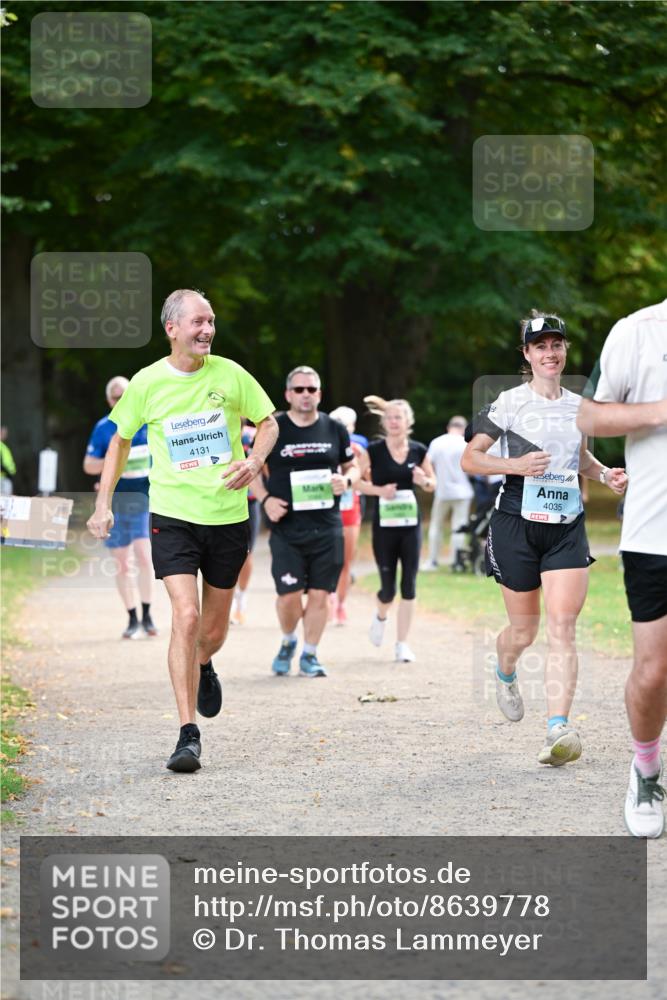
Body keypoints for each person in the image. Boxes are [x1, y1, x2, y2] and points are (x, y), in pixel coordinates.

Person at [87, 289, 277, 773]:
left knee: (211, 633)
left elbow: (268, 422)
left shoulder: (231, 374)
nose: (207, 330)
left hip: (228, 517)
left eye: (211, 321)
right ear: (172, 328)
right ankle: (187, 733)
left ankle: (205, 664)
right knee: (185, 616)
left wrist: (255, 459)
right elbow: (120, 442)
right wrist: (103, 504)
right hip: (171, 516)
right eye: (198, 322)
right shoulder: (147, 382)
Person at [461, 311, 627, 766]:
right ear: (527, 355)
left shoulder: (579, 405)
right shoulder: (510, 404)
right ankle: (506, 669)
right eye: (540, 347)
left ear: (564, 350)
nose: (549, 353)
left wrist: (604, 474)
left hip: (566, 526)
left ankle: (559, 727)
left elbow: (578, 456)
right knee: (524, 630)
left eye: (556, 345)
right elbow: (470, 460)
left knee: (562, 627)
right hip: (515, 522)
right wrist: (515, 466)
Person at [577, 299, 667, 836]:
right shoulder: (638, 330)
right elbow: (588, 415)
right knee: (655, 671)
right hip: (656, 532)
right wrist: (660, 409)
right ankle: (646, 768)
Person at [251, 366, 359, 678]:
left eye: (311, 389)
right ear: (288, 395)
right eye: (299, 389)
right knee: (287, 596)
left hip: (327, 526)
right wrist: (267, 500)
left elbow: (353, 467)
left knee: (319, 595)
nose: (306, 394)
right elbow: (252, 470)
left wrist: (347, 481)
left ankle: (310, 655)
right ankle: (288, 641)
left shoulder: (335, 428)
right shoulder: (274, 428)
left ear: (319, 394)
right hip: (287, 527)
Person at [359, 395, 436, 663]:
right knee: (388, 588)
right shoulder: (374, 450)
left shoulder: (418, 450)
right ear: (384, 421)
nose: (393, 422)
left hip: (410, 525)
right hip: (385, 526)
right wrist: (379, 490)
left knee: (409, 585)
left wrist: (423, 480)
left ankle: (402, 644)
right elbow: (356, 482)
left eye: (398, 417)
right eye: (389, 417)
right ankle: (381, 616)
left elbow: (432, 485)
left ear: (407, 422)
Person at [84, 377, 157, 639]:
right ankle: (132, 618)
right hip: (116, 503)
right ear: (109, 401)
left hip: (146, 498)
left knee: (144, 555)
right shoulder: (104, 428)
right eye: (116, 397)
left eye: (125, 395)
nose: (121, 400)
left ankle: (148, 615)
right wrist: (115, 456)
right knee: (123, 563)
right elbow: (89, 466)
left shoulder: (148, 421)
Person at [328, 406, 367, 625]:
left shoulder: (360, 444)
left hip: (350, 507)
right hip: (326, 508)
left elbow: (366, 475)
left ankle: (340, 604)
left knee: (345, 561)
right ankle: (327, 600)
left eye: (347, 425)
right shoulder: (323, 441)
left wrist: (360, 463)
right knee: (326, 560)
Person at [423, 415, 474, 571]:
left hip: (442, 490)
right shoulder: (466, 443)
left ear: (448, 427)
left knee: (436, 526)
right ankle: (455, 561)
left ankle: (432, 561)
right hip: (463, 491)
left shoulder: (437, 442)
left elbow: (427, 465)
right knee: (459, 527)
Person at [230, 420, 260, 626]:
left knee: (247, 552)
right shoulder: (215, 432)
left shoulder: (253, 435)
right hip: (224, 500)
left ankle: (241, 598)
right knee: (223, 554)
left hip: (249, 501)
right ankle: (228, 601)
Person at [0, 427, 16, 496]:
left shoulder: (3, 447)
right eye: (3, 433)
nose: (5, 435)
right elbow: (5, 464)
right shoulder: (2, 447)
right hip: (3, 477)